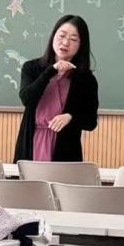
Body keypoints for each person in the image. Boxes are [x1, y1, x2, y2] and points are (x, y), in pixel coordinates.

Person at [14, 14, 100, 162]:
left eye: (73, 39)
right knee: (28, 177)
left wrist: (70, 117)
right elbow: (27, 98)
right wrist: (51, 70)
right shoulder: (31, 68)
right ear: (53, 36)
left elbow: (91, 121)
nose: (65, 42)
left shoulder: (86, 79)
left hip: (65, 149)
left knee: (62, 178)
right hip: (32, 142)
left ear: (81, 45)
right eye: (62, 36)